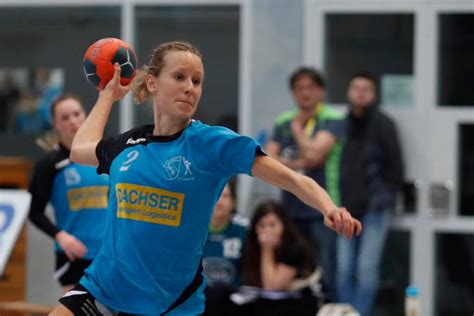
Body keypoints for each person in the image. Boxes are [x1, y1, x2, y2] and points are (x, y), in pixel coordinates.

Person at [50, 41, 362, 316]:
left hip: (169, 303)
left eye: (197, 81)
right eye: (179, 77)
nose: (190, 87)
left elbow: (293, 180)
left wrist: (329, 207)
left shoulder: (212, 144)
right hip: (105, 288)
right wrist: (108, 96)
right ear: (153, 83)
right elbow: (79, 150)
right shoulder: (130, 144)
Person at [266, 67, 344, 301]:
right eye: (299, 88)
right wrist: (299, 163)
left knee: (327, 267)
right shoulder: (283, 120)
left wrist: (298, 131)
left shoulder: (332, 118)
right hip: (290, 206)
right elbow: (268, 159)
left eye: (310, 87)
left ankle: (328, 308)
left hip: (323, 206)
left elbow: (315, 156)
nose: (305, 93)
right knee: (293, 266)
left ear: (321, 91)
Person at [335, 73, 404, 316]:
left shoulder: (384, 125)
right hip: (345, 207)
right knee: (344, 268)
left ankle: (359, 313)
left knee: (366, 268)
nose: (360, 93)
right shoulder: (342, 124)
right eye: (356, 87)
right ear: (349, 92)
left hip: (375, 208)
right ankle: (344, 311)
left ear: (374, 94)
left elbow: (396, 169)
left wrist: (380, 199)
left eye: (367, 88)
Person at [27, 93, 109, 293]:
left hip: (108, 254)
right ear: (55, 123)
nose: (73, 121)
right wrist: (61, 237)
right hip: (74, 256)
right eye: (65, 117)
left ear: (85, 115)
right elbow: (34, 212)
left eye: (76, 114)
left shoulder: (105, 154)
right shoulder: (49, 164)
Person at [232, 201, 320, 316]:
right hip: (265, 300)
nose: (267, 231)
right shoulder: (251, 246)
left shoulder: (295, 247)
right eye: (261, 226)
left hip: (299, 300)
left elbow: (273, 286)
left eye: (272, 225)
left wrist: (267, 250)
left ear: (283, 225)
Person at [202, 180, 248, 315]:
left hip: (231, 302)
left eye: (225, 196)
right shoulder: (193, 231)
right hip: (198, 299)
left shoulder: (244, 231)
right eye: (216, 194)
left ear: (234, 202)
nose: (219, 201)